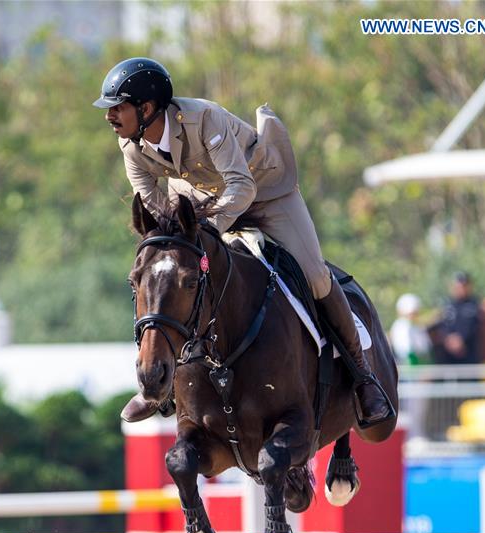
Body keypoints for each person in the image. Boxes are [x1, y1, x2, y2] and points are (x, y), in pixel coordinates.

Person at [92, 57, 394, 428]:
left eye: (118, 107)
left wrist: (207, 228)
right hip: (200, 203)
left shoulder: (204, 119)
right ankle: (159, 386)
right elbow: (155, 210)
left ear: (147, 107)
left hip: (265, 191)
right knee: (172, 279)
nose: (110, 116)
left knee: (314, 275)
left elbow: (241, 185)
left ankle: (363, 377)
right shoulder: (131, 146)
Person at [430, 272, 483, 364]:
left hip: (468, 354)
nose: (460, 289)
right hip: (447, 355)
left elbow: (473, 325)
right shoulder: (447, 304)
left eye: (463, 286)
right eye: (458, 286)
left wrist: (460, 340)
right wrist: (448, 339)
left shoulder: (474, 304)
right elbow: (441, 325)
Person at [389, 293, 430, 366]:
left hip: (419, 362)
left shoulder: (415, 325)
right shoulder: (401, 326)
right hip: (410, 364)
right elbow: (405, 351)